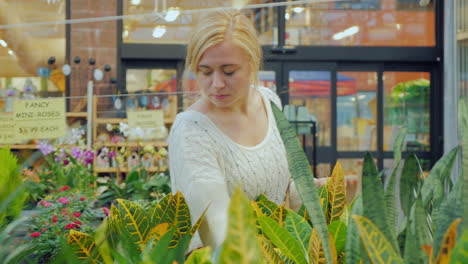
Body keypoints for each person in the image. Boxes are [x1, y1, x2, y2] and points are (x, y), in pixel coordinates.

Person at [168, 9, 324, 251]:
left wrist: (312, 190)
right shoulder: (191, 130)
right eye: (205, 71)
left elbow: (278, 186)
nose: (217, 84)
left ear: (251, 64)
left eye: (229, 71)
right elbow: (217, 229)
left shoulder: (269, 102)